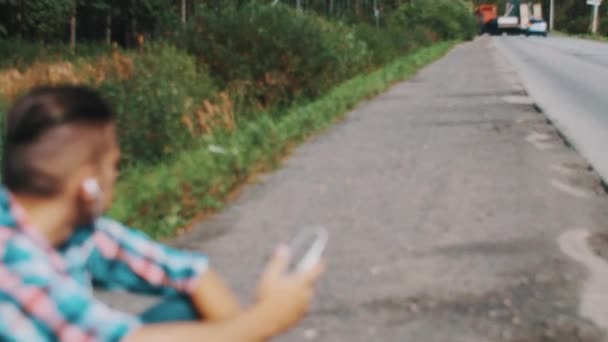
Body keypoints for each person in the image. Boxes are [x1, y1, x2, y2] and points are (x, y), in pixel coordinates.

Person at [0, 85, 325, 341]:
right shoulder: (12, 266)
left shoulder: (72, 228)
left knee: (187, 311)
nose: (116, 176)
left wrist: (247, 330)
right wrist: (265, 319)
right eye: (114, 166)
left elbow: (190, 274)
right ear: (87, 186)